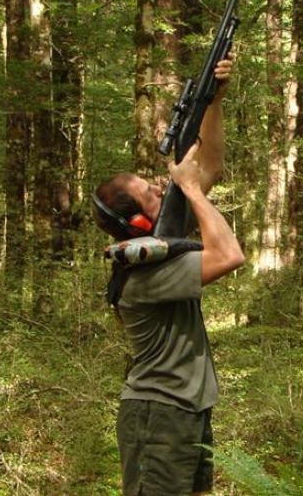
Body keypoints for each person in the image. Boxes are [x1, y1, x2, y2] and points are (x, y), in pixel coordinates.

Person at [92, 57, 245, 496]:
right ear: (138, 224)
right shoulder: (143, 276)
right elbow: (230, 254)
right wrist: (192, 190)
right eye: (149, 192)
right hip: (158, 414)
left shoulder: (163, 249)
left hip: (187, 409)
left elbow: (210, 164)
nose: (160, 187)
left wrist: (213, 102)